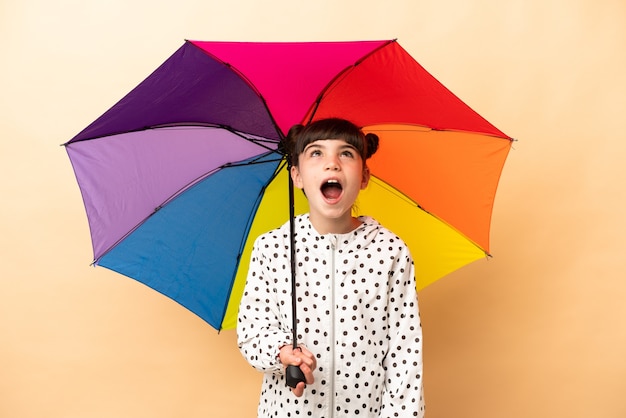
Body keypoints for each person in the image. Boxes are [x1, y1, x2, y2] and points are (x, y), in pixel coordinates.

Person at [237, 118, 425, 417]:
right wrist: (282, 353)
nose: (332, 164)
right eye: (316, 153)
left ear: (364, 176)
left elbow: (405, 354)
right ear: (296, 175)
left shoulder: (390, 251)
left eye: (346, 153)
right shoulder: (272, 247)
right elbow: (252, 331)